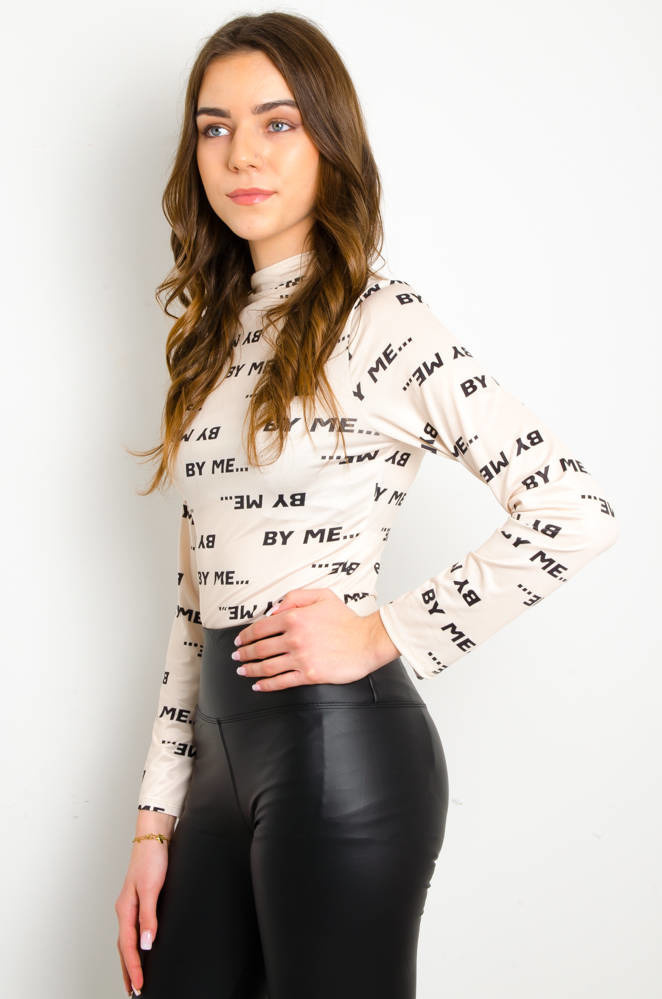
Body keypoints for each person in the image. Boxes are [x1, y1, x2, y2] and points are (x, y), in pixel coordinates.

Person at [114, 11, 620, 999]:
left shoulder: (381, 321)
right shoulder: (208, 343)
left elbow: (573, 509)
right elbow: (192, 600)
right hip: (216, 765)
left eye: (278, 123)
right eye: (215, 128)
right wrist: (152, 820)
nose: (241, 154)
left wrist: (386, 631)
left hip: (337, 752)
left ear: (328, 141)